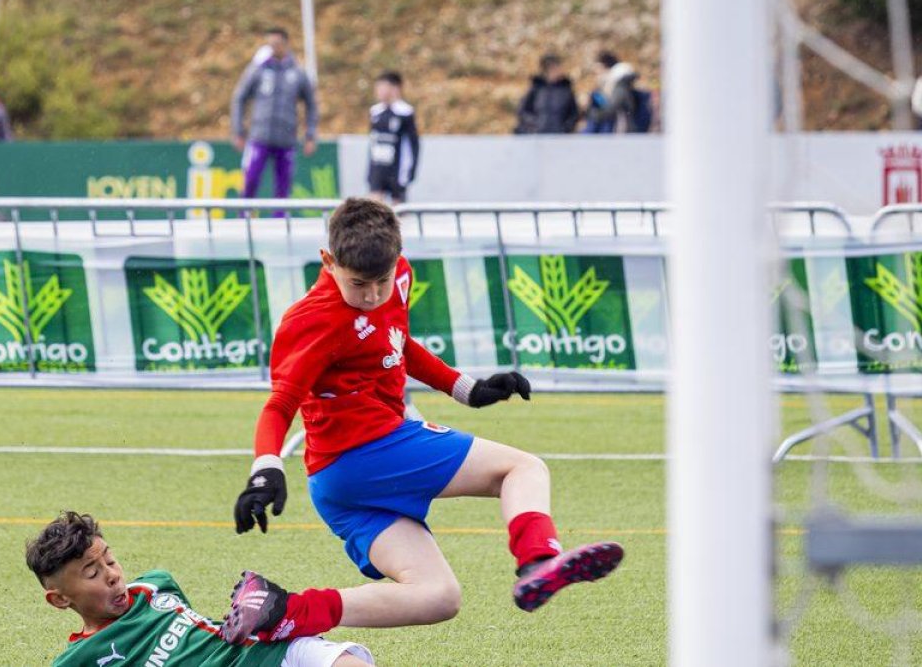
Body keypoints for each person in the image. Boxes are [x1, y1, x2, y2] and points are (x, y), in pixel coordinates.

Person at [221, 198, 624, 646]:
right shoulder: (311, 319)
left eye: (382, 280)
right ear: (328, 261)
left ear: (398, 258)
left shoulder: (400, 277)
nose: (372, 295)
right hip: (367, 452)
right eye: (359, 284)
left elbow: (398, 342)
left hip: (340, 486)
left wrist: (467, 389)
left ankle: (281, 609)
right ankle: (538, 561)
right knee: (523, 468)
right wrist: (266, 470)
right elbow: (280, 404)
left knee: (438, 596)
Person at [26, 511, 374, 667]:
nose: (112, 575)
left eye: (110, 561)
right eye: (92, 573)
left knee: (343, 662)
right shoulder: (77, 660)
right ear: (60, 599)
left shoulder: (154, 584)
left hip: (266, 654)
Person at [230, 28, 319, 203]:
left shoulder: (297, 72)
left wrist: (310, 134)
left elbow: (311, 104)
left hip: (286, 139)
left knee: (283, 187)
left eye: (276, 44)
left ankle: (280, 217)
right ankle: (245, 215)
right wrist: (238, 130)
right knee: (250, 180)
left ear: (285, 44)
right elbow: (239, 97)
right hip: (259, 136)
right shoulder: (257, 69)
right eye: (269, 44)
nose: (273, 48)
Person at [366, 72, 420, 205]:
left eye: (383, 87)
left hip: (397, 169)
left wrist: (410, 170)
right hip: (378, 167)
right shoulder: (375, 112)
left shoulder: (405, 113)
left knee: (398, 209)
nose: (379, 91)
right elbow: (373, 142)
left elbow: (413, 145)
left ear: (395, 88)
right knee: (373, 206)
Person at [585, 51, 651, 134]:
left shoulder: (620, 87)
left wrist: (592, 113)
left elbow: (611, 109)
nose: (597, 75)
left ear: (606, 68)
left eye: (598, 71)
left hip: (623, 130)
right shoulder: (623, 85)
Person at [513, 53, 579, 134]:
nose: (558, 70)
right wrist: (533, 125)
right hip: (537, 136)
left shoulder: (566, 90)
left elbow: (574, 114)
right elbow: (523, 111)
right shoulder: (536, 89)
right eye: (554, 68)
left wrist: (565, 128)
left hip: (559, 135)